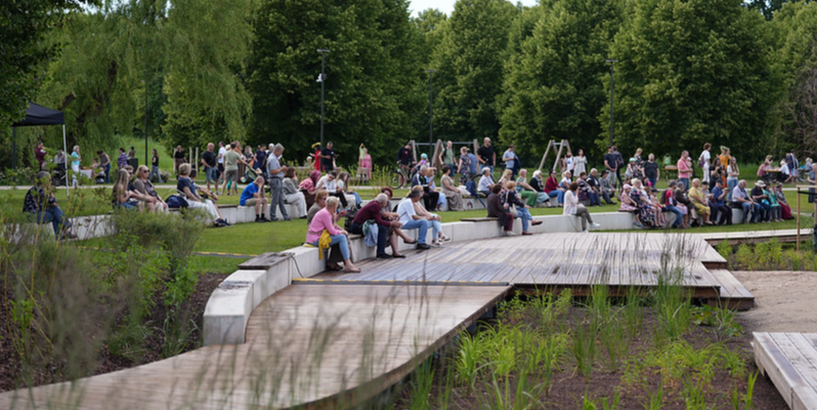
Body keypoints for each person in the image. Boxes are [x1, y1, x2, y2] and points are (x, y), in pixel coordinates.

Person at [306, 197, 360, 272]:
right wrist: (342, 232)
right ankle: (348, 264)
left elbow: (332, 225)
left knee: (341, 237)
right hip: (316, 239)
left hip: (320, 236)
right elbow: (332, 231)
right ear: (334, 206)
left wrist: (341, 229)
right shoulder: (325, 214)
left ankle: (334, 262)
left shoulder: (327, 212)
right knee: (341, 237)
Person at [349, 193, 405, 259]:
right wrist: (391, 224)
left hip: (360, 224)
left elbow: (379, 217)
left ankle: (382, 252)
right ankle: (381, 252)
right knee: (382, 228)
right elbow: (379, 221)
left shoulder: (375, 204)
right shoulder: (375, 206)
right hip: (357, 227)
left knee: (383, 228)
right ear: (383, 202)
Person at [23, 171, 76, 239]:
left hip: (37, 211)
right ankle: (65, 229)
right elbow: (51, 200)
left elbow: (46, 204)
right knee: (55, 211)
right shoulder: (39, 190)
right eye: (49, 179)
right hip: (32, 215)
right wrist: (50, 192)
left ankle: (61, 236)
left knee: (56, 212)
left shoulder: (39, 189)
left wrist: (52, 203)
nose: (50, 182)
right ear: (44, 180)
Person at [266, 143, 290, 221]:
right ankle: (273, 216)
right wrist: (282, 169)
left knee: (280, 199)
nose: (281, 154)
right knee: (275, 199)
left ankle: (285, 216)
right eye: (280, 152)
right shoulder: (272, 159)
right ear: (277, 150)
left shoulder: (275, 158)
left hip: (278, 179)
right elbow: (273, 171)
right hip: (274, 179)